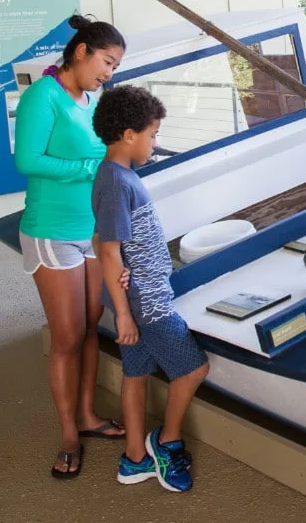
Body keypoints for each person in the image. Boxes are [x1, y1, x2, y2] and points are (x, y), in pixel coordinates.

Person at [13, 15, 128, 479]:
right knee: (65, 336)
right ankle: (67, 433)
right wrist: (90, 165)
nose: (109, 73)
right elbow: (27, 160)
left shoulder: (90, 99)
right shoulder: (41, 97)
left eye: (116, 66)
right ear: (80, 52)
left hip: (92, 229)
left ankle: (87, 415)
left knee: (89, 328)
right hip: (51, 229)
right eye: (106, 61)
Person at [91, 85, 211, 493]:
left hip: (138, 296)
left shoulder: (118, 177)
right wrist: (124, 313)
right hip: (147, 303)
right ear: (129, 135)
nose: (155, 144)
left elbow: (100, 239)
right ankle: (166, 441)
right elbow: (108, 250)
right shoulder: (116, 181)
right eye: (153, 134)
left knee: (136, 373)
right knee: (194, 368)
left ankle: (134, 460)